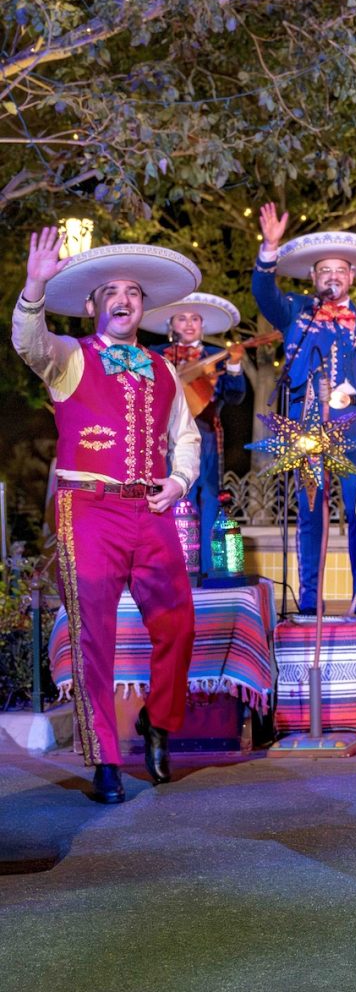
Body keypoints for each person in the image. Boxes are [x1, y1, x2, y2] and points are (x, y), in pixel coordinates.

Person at [13, 228, 202, 803]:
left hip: (151, 509)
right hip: (89, 508)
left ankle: (158, 722)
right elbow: (29, 343)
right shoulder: (70, 356)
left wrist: (178, 481)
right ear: (93, 304)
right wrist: (35, 287)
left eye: (134, 292)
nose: (124, 299)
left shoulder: (162, 368)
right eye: (111, 292)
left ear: (143, 306)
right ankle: (106, 760)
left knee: (179, 623)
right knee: (95, 634)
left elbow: (186, 437)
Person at [251, 207, 356, 612]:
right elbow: (263, 293)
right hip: (308, 430)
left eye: (339, 270)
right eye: (324, 271)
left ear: (351, 277)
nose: (332, 276)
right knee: (310, 516)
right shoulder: (296, 312)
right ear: (312, 278)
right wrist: (269, 248)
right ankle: (308, 601)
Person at [142, 293, 247, 580]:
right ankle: (169, 566)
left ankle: (209, 570)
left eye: (195, 319)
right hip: (163, 438)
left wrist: (234, 367)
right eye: (182, 318)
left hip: (206, 435)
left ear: (203, 325)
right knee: (167, 494)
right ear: (171, 324)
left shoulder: (216, 355)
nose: (189, 324)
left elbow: (235, 397)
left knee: (209, 496)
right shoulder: (153, 354)